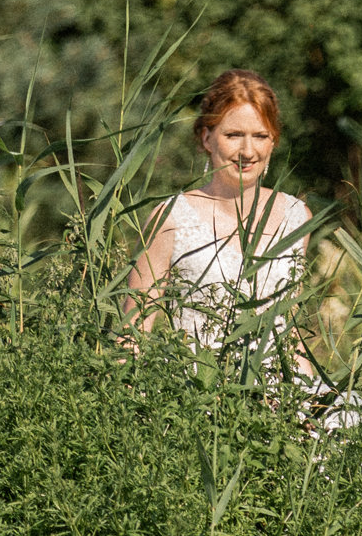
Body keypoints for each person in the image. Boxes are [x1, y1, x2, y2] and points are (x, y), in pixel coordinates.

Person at [127, 68, 315, 357]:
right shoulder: (171, 219)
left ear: (273, 141)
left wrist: (310, 400)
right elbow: (133, 335)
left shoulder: (296, 217)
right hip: (199, 392)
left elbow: (291, 338)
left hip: (278, 394)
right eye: (233, 135)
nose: (248, 151)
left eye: (260, 136)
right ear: (206, 138)